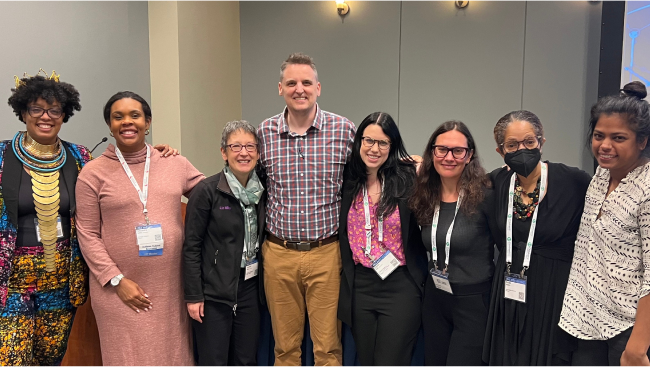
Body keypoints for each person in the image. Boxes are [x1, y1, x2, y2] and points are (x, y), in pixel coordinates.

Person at [75, 91, 204, 365]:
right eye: (117, 117)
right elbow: (86, 234)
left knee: (173, 356)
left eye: (135, 115)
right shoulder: (92, 173)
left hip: (171, 288)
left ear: (148, 122)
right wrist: (117, 280)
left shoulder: (174, 163)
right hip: (117, 291)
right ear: (109, 126)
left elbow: (211, 197)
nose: (127, 122)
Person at [257, 52, 356, 365]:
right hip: (278, 254)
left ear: (318, 88)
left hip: (326, 254)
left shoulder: (344, 130)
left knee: (327, 348)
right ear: (280, 88)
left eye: (306, 83)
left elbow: (375, 167)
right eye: (291, 83)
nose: (299, 89)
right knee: (285, 348)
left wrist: (415, 162)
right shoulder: (264, 133)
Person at [482, 110, 592, 365]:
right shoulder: (498, 182)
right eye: (512, 145)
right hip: (508, 285)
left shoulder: (573, 181)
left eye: (529, 142)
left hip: (553, 288)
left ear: (541, 142)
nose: (522, 149)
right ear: (501, 152)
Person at [560, 81, 650, 366]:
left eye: (619, 138)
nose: (605, 146)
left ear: (642, 142)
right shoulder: (601, 175)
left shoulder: (647, 188)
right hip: (586, 320)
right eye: (599, 135)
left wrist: (637, 346)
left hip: (628, 330)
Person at [337, 112, 426, 365]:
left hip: (400, 285)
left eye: (383, 143)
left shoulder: (408, 178)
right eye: (369, 141)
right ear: (359, 142)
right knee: (365, 359)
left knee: (391, 360)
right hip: (360, 286)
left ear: (392, 146)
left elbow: (451, 172)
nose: (374, 149)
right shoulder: (348, 179)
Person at [409, 120, 495, 365]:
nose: (449, 157)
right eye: (442, 149)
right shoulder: (424, 195)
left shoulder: (486, 196)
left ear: (469, 156)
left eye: (458, 151)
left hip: (473, 302)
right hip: (435, 299)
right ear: (432, 153)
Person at [183, 120, 266, 366]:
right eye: (236, 146)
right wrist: (194, 296)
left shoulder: (263, 191)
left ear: (258, 153)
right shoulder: (207, 191)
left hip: (250, 288)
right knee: (214, 359)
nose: (244, 153)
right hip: (213, 293)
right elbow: (191, 248)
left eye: (250, 146)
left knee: (246, 358)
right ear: (224, 152)